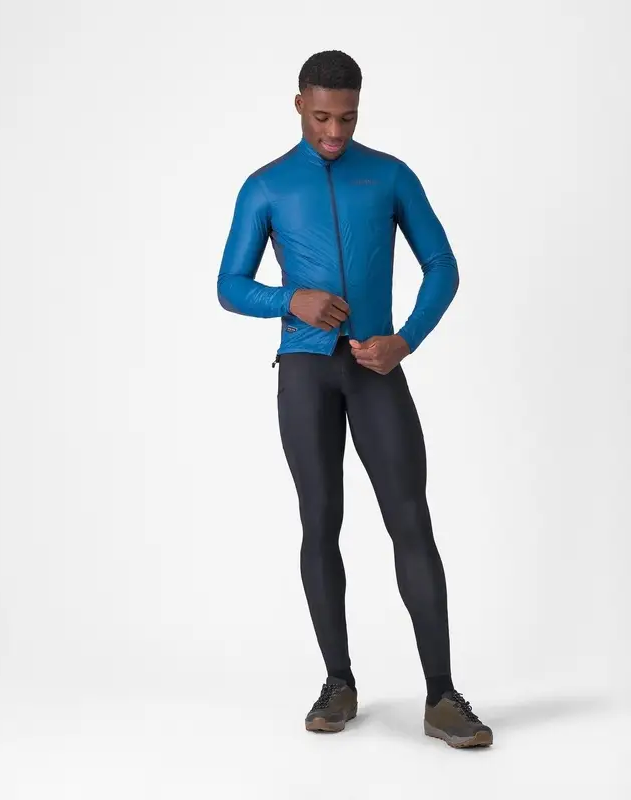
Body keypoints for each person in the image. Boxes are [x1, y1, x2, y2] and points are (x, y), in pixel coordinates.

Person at [217, 50, 493, 748]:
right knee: (320, 523)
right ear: (298, 105)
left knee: (411, 522)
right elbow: (229, 284)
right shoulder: (266, 185)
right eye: (320, 117)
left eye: (346, 118)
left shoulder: (390, 175)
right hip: (306, 372)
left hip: (375, 367)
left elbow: (443, 266)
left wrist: (406, 340)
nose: (334, 132)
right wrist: (292, 299)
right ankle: (338, 682)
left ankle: (442, 696)